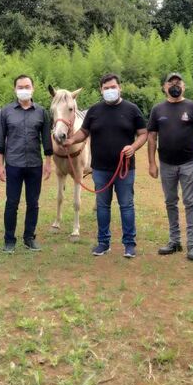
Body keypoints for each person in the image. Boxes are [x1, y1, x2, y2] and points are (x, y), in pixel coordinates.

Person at [62, 74, 147, 258]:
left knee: (126, 205)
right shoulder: (94, 111)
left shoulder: (132, 109)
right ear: (101, 90)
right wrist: (70, 140)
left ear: (120, 87)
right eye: (106, 88)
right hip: (100, 169)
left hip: (124, 168)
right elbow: (83, 133)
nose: (110, 90)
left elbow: (143, 133)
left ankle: (129, 244)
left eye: (113, 87)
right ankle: (103, 243)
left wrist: (133, 147)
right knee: (102, 206)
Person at [147, 72, 193, 261]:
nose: (174, 85)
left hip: (189, 163)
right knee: (170, 202)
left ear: (184, 85)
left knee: (190, 203)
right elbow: (151, 137)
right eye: (170, 82)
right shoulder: (157, 110)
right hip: (166, 165)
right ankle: (174, 241)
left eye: (178, 82)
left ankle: (191, 244)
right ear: (164, 87)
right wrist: (151, 163)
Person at [0, 74, 53, 253]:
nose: (24, 90)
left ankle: (29, 238)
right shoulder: (6, 112)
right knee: (12, 202)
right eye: (20, 87)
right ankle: (9, 240)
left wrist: (48, 163)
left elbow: (47, 141)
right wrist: (0, 166)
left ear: (33, 88)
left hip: (35, 165)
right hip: (13, 164)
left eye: (27, 86)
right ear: (15, 90)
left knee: (33, 203)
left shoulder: (42, 112)